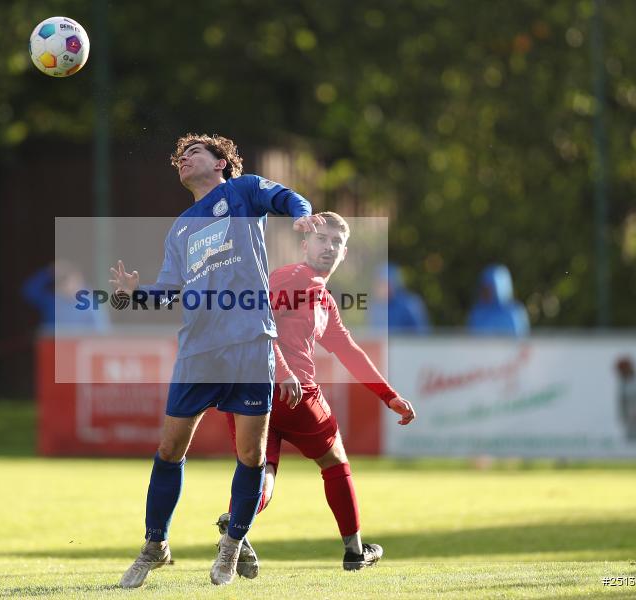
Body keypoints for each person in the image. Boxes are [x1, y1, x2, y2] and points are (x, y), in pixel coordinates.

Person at [111, 133, 323, 587]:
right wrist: (136, 294)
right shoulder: (180, 228)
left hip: (250, 343)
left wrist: (303, 216)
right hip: (199, 349)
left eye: (193, 153)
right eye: (179, 157)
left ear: (221, 162)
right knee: (170, 449)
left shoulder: (243, 191)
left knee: (251, 453)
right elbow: (168, 293)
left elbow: (288, 198)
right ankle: (155, 546)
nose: (183, 160)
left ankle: (231, 545)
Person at [218, 212, 416, 576]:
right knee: (335, 461)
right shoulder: (295, 277)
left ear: (345, 253)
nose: (329, 247)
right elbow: (257, 321)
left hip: (250, 389)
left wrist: (388, 395)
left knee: (262, 472)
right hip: (291, 392)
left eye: (336, 242)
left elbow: (348, 351)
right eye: (322, 239)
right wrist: (284, 372)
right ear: (305, 244)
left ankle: (235, 525)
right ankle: (355, 551)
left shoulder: (323, 299)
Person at [22, 260, 108, 331]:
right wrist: (48, 272)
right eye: (61, 280)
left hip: (81, 345)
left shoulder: (92, 303)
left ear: (79, 278)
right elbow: (28, 292)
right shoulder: (53, 301)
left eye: (68, 279)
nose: (66, 284)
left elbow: (101, 333)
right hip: (53, 344)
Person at [466, 264, 529, 336]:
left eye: (489, 288)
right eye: (484, 287)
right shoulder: (477, 314)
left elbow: (521, 339)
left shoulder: (514, 313)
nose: (485, 292)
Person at [368, 262, 430, 334]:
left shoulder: (411, 304)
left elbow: (423, 334)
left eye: (384, 284)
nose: (380, 288)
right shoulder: (375, 307)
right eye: (378, 284)